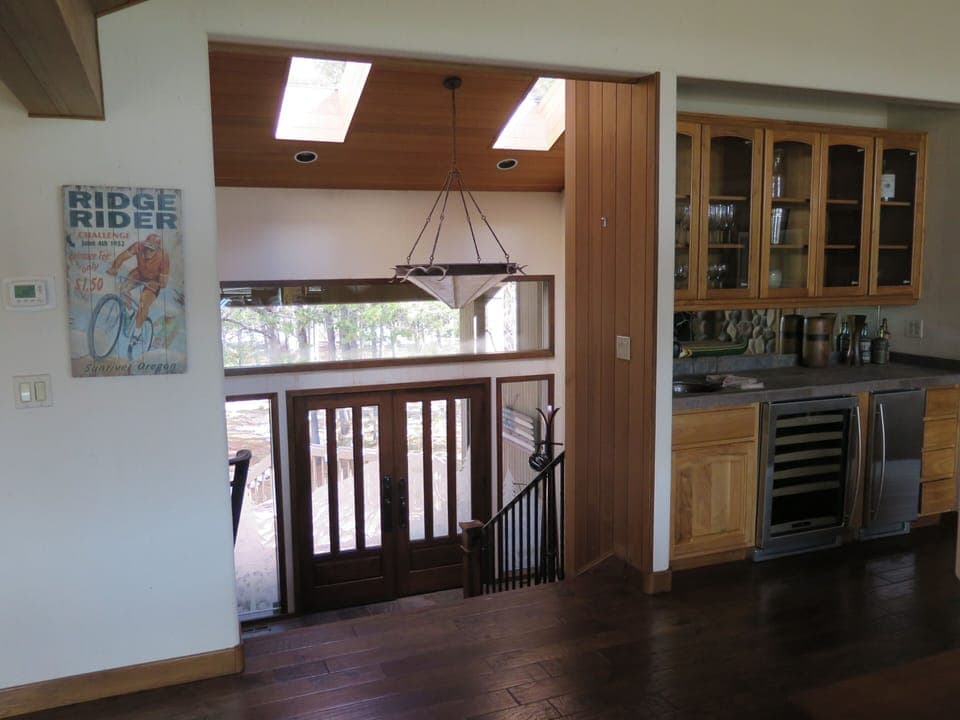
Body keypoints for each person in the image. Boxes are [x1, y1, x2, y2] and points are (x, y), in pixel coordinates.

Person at [106, 233, 169, 348]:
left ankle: (137, 333)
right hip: (139, 273)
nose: (148, 252)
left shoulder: (164, 257)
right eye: (147, 247)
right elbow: (123, 256)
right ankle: (129, 313)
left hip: (154, 281)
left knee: (143, 303)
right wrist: (114, 267)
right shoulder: (138, 246)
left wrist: (156, 283)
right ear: (144, 245)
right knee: (123, 289)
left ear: (157, 250)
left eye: (152, 249)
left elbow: (164, 283)